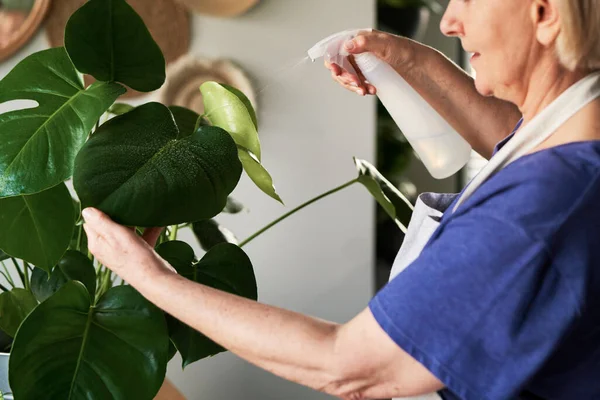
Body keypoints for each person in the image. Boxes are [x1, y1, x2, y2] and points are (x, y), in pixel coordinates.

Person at [82, 1, 600, 399]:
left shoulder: (537, 210)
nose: (449, 22)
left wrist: (149, 276)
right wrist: (409, 60)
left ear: (545, 14)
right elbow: (513, 139)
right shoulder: (576, 132)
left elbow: (343, 362)